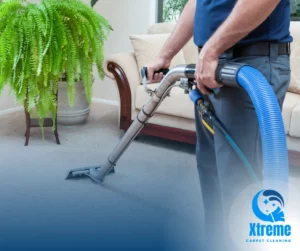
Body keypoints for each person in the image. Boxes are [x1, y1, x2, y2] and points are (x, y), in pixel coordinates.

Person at [145, 0, 292, 250]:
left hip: (248, 64)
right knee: (212, 174)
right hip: (212, 70)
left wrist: (211, 50)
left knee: (239, 186)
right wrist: (165, 55)